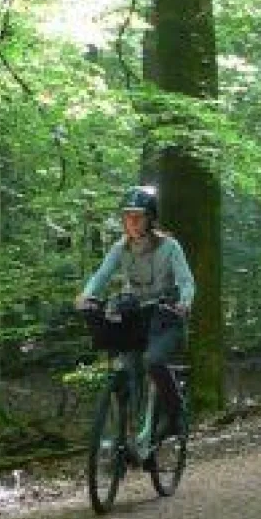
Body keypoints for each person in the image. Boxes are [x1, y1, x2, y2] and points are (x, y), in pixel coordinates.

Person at [76, 185, 195, 438]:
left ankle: (175, 416)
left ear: (150, 218)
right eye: (127, 216)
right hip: (136, 316)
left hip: (166, 317)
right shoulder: (121, 248)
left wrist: (184, 302)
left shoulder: (170, 246)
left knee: (153, 360)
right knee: (130, 365)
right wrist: (87, 295)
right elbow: (102, 275)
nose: (131, 221)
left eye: (137, 216)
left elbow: (187, 282)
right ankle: (133, 426)